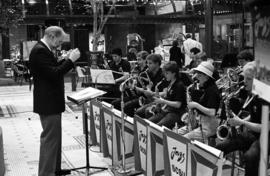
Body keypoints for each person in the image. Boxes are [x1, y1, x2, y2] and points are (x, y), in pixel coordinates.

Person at [29, 26, 81, 176]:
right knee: (50, 139)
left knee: (55, 138)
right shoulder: (40, 50)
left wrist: (64, 59)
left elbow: (52, 68)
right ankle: (46, 173)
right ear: (51, 36)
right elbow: (54, 74)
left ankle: (55, 169)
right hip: (48, 102)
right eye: (59, 40)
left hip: (51, 101)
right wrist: (70, 61)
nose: (60, 44)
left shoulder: (44, 50)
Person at [178, 61, 221, 143]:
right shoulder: (202, 87)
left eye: (199, 75)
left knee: (183, 139)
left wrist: (195, 105)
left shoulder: (212, 90)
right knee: (175, 133)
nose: (196, 76)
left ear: (207, 76)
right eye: (196, 73)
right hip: (199, 122)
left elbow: (212, 112)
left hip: (208, 126)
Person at [147, 61, 187, 129]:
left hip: (176, 113)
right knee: (148, 123)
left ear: (174, 73)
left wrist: (162, 101)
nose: (165, 75)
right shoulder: (170, 82)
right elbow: (168, 97)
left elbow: (178, 104)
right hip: (168, 110)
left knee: (157, 127)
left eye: (167, 73)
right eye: (164, 73)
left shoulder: (179, 85)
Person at [135, 54, 167, 118]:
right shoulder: (147, 73)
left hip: (160, 101)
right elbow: (144, 90)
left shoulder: (163, 74)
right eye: (147, 63)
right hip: (148, 99)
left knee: (139, 112)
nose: (148, 65)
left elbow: (165, 93)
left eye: (150, 63)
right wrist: (136, 87)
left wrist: (152, 93)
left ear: (157, 64)